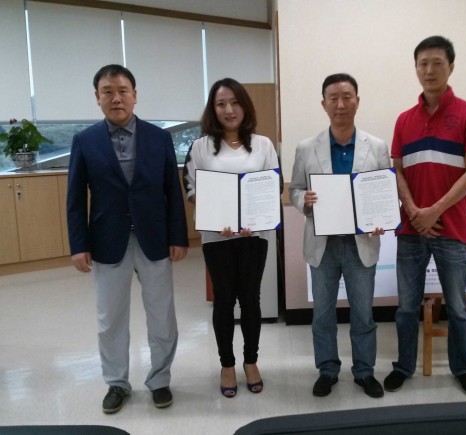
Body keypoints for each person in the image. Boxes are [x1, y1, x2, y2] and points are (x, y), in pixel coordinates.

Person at [67, 64, 189, 414]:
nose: (116, 98)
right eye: (108, 91)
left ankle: (160, 379)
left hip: (155, 238)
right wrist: (79, 244)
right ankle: (117, 383)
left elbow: (172, 191)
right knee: (110, 320)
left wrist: (178, 236)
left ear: (135, 95)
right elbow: (75, 198)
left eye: (123, 91)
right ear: (97, 98)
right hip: (107, 240)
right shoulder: (85, 141)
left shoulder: (159, 138)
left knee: (162, 316)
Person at [384, 36, 466, 397]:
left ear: (451, 67)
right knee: (405, 308)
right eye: (422, 63)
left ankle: (463, 368)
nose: (429, 70)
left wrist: (434, 211)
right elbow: (397, 171)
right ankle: (403, 366)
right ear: (415, 68)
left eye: (437, 63)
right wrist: (415, 212)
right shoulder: (404, 120)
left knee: (458, 307)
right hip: (411, 228)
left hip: (451, 228)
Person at [290, 73, 390, 398]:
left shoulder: (377, 146)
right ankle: (327, 370)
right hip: (323, 244)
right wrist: (302, 200)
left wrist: (382, 218)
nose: (341, 104)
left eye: (347, 97)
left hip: (361, 243)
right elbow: (294, 189)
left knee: (363, 313)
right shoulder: (307, 147)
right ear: (324, 104)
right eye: (333, 98)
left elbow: (384, 192)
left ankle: (364, 371)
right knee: (323, 313)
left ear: (358, 101)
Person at [182, 78, 279, 398]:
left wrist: (255, 218)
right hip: (216, 237)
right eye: (221, 104)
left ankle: (251, 361)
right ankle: (226, 364)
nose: (229, 109)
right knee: (224, 299)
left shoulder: (264, 145)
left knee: (250, 299)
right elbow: (191, 188)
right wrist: (214, 216)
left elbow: (272, 187)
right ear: (213, 109)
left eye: (235, 102)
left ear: (244, 106)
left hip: (254, 235)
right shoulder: (200, 147)